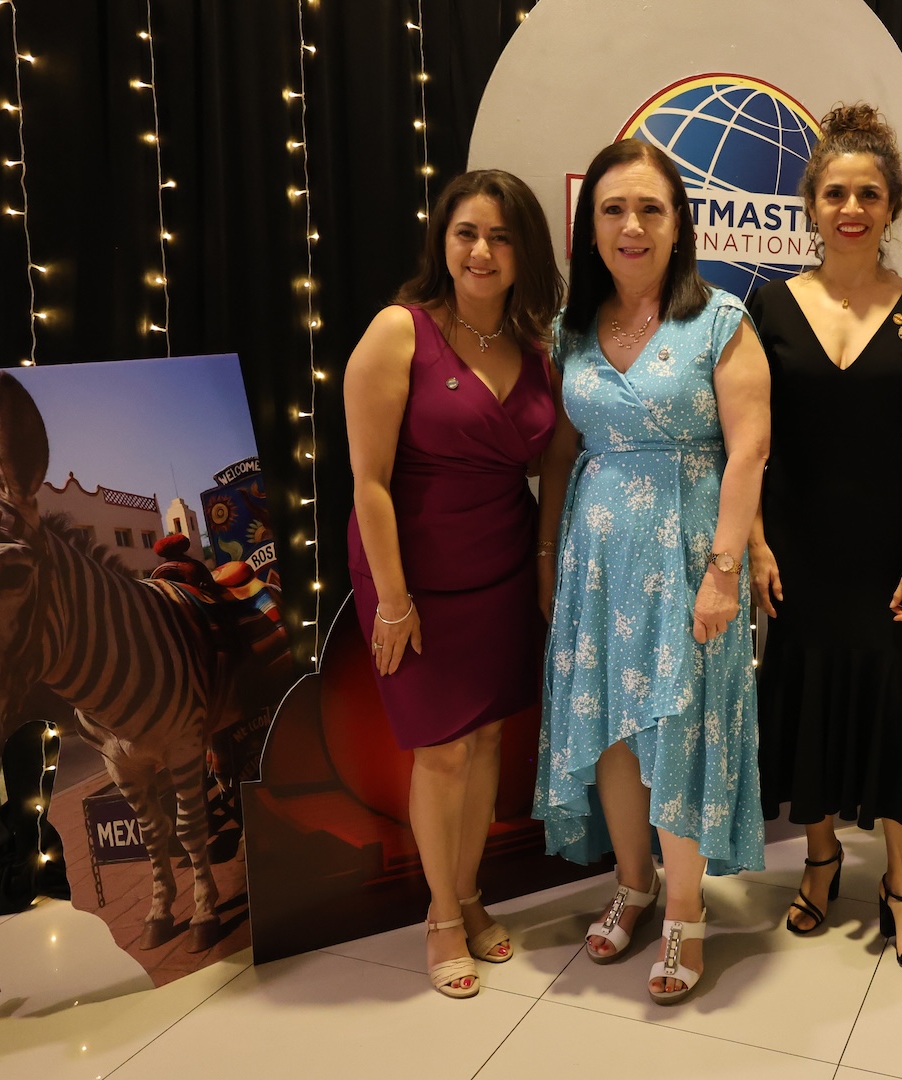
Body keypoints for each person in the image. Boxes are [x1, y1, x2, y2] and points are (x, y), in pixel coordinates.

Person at [533, 140, 770, 1005]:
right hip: (597, 562)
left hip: (689, 555)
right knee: (609, 729)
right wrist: (548, 556)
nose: (631, 226)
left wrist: (724, 570)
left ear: (678, 225)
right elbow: (561, 452)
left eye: (650, 209)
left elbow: (750, 451)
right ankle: (633, 885)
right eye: (612, 209)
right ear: (589, 227)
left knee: (680, 729)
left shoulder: (721, 320)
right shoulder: (570, 328)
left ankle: (682, 910)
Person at [746, 104, 902, 980]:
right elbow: (745, 443)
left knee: (895, 710)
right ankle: (822, 858)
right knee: (806, 701)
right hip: (795, 549)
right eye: (835, 192)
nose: (851, 208)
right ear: (810, 204)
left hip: (883, 552)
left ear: (891, 205)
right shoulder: (768, 305)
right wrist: (756, 545)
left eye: (869, 193)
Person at [344, 169, 563, 998]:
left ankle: (468, 894)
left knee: (487, 741)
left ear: (524, 253)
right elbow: (369, 482)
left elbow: (552, 461)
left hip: (500, 566)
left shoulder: (535, 348)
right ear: (443, 239)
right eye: (467, 232)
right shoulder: (398, 332)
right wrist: (393, 599)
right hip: (413, 577)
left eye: (501, 237)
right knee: (440, 751)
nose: (481, 251)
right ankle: (440, 916)